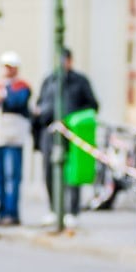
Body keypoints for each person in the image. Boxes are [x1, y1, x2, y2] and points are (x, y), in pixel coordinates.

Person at [32, 47, 99, 228]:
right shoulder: (49, 80)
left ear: (70, 61)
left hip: (72, 133)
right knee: (49, 170)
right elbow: (40, 103)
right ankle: (54, 210)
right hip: (50, 131)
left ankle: (71, 211)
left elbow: (93, 105)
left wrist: (73, 120)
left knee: (72, 171)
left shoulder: (80, 81)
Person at [0, 50, 31, 226]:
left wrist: (4, 96)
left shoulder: (22, 87)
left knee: (13, 175)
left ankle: (12, 213)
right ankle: (1, 210)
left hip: (14, 136)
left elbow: (17, 103)